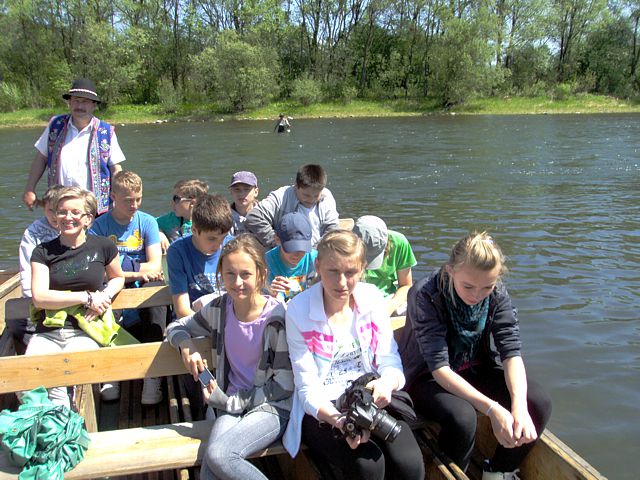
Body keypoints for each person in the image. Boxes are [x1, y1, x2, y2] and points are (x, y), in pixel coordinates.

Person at [398, 232, 552, 480]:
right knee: (462, 417)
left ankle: (498, 471)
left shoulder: (497, 293)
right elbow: (439, 367)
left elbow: (511, 352)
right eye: (468, 286)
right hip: (427, 377)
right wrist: (491, 408)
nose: (476, 295)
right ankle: (453, 474)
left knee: (538, 402)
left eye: (487, 287)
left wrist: (519, 407)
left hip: (473, 368)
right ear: (450, 271)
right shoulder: (425, 294)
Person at [283, 230, 424, 480]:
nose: (341, 282)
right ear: (318, 266)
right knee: (369, 466)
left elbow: (389, 358)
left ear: (362, 269)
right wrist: (339, 420)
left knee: (409, 464)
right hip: (324, 406)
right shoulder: (298, 310)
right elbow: (307, 387)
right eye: (333, 271)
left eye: (350, 273)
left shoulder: (372, 298)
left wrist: (386, 384)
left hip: (369, 395)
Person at [166, 234, 293, 480]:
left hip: (271, 406)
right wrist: (186, 344)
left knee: (220, 456)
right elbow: (175, 326)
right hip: (231, 403)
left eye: (245, 274)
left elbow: (284, 386)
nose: (237, 283)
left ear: (261, 275)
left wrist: (231, 402)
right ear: (221, 276)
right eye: (230, 274)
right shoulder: (220, 309)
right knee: (209, 472)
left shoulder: (277, 320)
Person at [27, 187, 124, 409]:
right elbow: (39, 297)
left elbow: (117, 277)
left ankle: (65, 419)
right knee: (28, 377)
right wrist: (86, 298)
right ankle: (55, 420)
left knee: (68, 376)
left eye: (75, 212)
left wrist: (104, 295)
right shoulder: (42, 252)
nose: (67, 217)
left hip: (85, 330)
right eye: (62, 212)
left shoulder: (104, 246)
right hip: (49, 332)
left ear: (88, 218)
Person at [90, 171, 166, 404]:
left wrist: (123, 270)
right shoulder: (99, 226)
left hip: (143, 283)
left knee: (157, 295)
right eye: (128, 200)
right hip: (113, 283)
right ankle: (111, 371)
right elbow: (100, 270)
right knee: (104, 300)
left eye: (138, 199)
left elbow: (154, 266)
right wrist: (134, 272)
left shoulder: (147, 222)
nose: (134, 205)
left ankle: (152, 374)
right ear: (113, 196)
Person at [23, 78, 126, 215]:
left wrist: (121, 195)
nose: (80, 106)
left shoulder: (106, 132)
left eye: (85, 101)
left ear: (94, 105)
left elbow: (115, 169)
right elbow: (41, 158)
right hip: (60, 208)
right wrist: (30, 189)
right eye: (76, 100)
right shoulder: (55, 125)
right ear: (69, 102)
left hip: (95, 210)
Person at [11, 185, 65, 351]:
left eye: (59, 211)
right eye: (50, 210)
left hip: (67, 290)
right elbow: (26, 268)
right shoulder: (33, 232)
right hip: (40, 293)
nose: (55, 216)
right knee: (16, 323)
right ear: (44, 208)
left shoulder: (77, 226)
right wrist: (33, 298)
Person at [167, 194, 233, 319]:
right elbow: (182, 310)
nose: (219, 245)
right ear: (194, 230)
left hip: (225, 315)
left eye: (223, 237)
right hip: (192, 319)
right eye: (212, 239)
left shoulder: (232, 246)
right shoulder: (177, 251)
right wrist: (210, 326)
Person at [245, 164, 339, 249]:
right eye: (306, 195)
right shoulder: (281, 196)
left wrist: (314, 252)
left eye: (316, 195)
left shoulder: (327, 197)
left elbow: (332, 230)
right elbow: (253, 217)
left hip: (316, 253)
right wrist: (277, 243)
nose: (311, 200)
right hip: (285, 253)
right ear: (296, 186)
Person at [353, 215, 416, 316]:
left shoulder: (399, 242)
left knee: (415, 309)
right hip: (355, 296)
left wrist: (389, 308)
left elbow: (406, 285)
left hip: (388, 299)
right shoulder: (345, 246)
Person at [266, 212, 317, 302]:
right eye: (291, 248)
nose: (296, 255)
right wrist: (271, 292)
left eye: (302, 249)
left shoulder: (315, 259)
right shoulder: (268, 261)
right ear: (277, 240)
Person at [157, 179, 209, 253]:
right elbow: (150, 222)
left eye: (176, 199)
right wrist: (160, 234)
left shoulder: (206, 223)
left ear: (192, 203)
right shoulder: (171, 219)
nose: (172, 203)